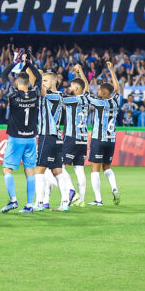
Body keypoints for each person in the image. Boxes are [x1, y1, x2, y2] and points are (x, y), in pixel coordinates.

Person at [0, 49, 41, 214]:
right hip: (31, 138)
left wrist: (16, 62)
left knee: (7, 169)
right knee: (30, 171)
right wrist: (29, 63)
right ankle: (29, 205)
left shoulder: (13, 95)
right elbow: (38, 78)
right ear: (29, 83)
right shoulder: (35, 93)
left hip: (16, 139)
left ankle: (13, 200)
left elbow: (3, 75)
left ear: (17, 84)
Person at [34, 69, 76, 211]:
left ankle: (39, 203)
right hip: (58, 137)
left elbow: (38, 88)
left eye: (46, 81)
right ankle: (64, 203)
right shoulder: (59, 96)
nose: (43, 83)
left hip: (47, 136)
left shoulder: (52, 95)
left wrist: (37, 76)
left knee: (39, 170)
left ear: (53, 82)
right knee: (57, 170)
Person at [87, 61, 123, 206]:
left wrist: (81, 75)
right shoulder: (116, 101)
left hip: (98, 138)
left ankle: (98, 199)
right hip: (111, 140)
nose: (98, 91)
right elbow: (117, 88)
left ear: (103, 93)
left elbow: (84, 92)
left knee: (94, 170)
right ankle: (114, 188)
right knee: (107, 168)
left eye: (100, 90)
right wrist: (111, 70)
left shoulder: (98, 102)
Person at [62, 65, 90, 206]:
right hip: (83, 138)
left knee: (58, 165)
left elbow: (58, 99)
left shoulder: (72, 100)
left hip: (71, 137)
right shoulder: (86, 98)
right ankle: (82, 199)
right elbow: (87, 87)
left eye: (72, 86)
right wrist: (81, 73)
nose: (69, 88)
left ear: (77, 89)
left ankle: (71, 191)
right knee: (79, 169)